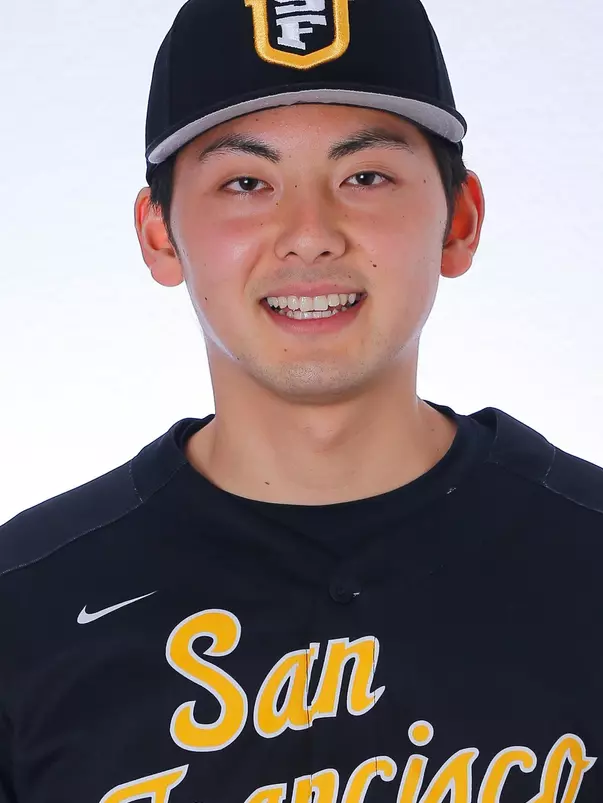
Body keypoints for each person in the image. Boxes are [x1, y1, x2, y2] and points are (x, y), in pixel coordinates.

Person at [0, 0, 601, 801]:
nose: (309, 232)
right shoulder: (25, 604)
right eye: (246, 183)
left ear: (458, 221)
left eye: (364, 176)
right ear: (159, 236)